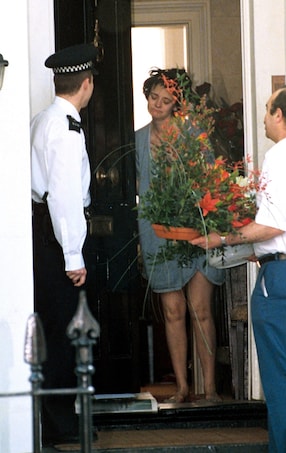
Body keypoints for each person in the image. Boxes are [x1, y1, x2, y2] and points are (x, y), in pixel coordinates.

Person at [191, 85, 286, 452]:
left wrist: (223, 239)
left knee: (284, 383)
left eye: (266, 109)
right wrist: (265, 247)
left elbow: (274, 225)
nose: (262, 116)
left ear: (279, 115)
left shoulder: (281, 156)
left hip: (284, 279)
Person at [136, 68, 225, 403]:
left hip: (196, 229)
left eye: (166, 100)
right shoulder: (137, 139)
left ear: (177, 103)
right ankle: (182, 387)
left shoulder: (193, 135)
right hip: (157, 233)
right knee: (173, 311)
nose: (157, 104)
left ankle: (211, 388)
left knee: (200, 309)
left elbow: (210, 183)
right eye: (153, 97)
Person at [31, 43, 98, 446]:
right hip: (56, 237)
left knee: (58, 327)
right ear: (86, 84)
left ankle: (60, 419)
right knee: (64, 329)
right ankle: (61, 425)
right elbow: (64, 195)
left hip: (45, 230)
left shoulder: (44, 119)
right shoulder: (66, 128)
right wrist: (73, 253)